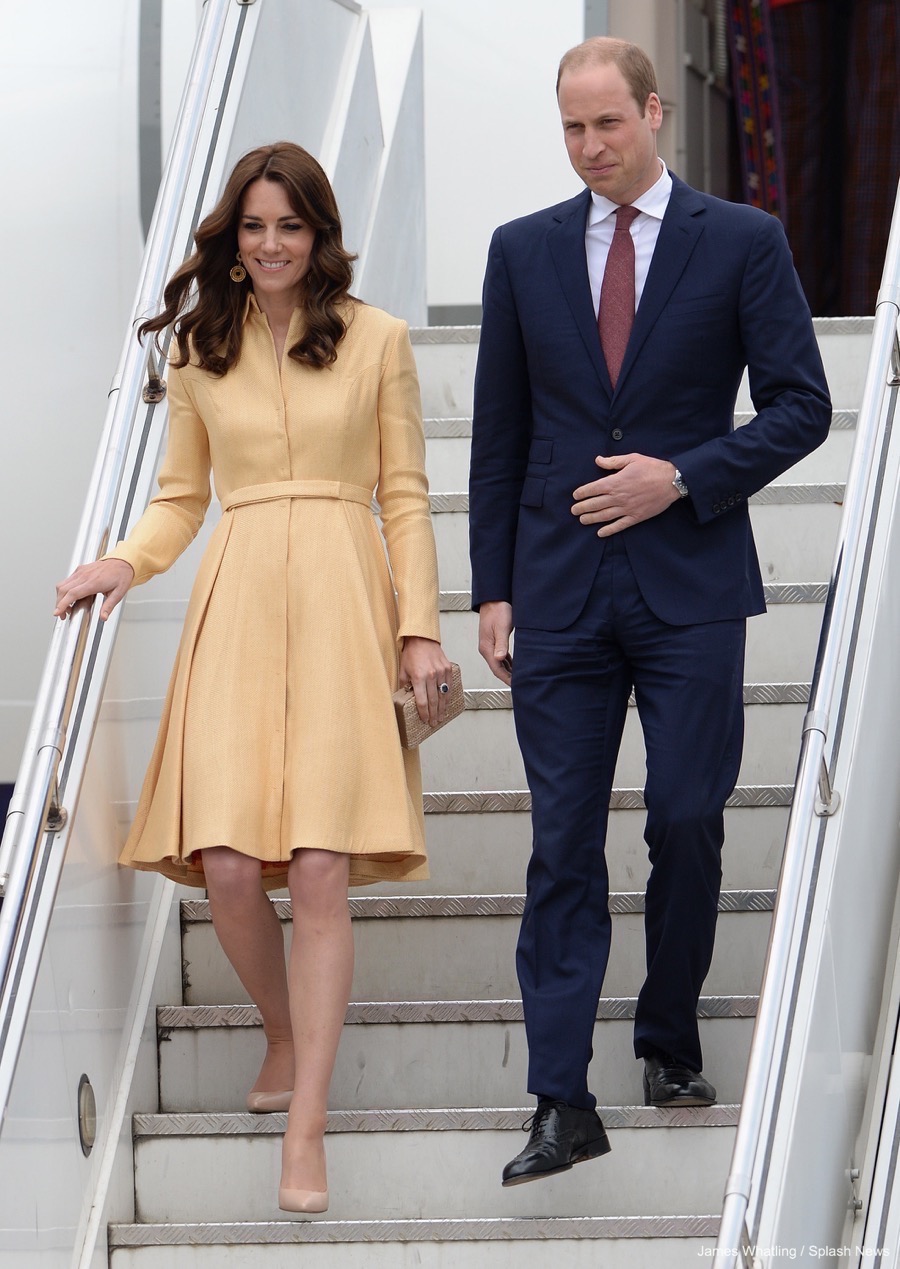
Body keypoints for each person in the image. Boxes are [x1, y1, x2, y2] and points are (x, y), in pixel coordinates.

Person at [55, 142, 452, 1216]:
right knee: (228, 866)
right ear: (232, 241)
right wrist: (120, 563)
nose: (271, 244)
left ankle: (307, 1130)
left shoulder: (378, 340)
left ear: (319, 235)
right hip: (236, 601)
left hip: (341, 595)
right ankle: (279, 1033)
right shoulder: (201, 347)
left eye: (291, 226)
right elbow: (183, 499)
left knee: (319, 868)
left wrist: (420, 632)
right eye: (253, 227)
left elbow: (406, 497)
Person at [469, 37, 831, 1187]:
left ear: (655, 112)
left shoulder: (743, 242)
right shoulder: (521, 251)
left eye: (606, 126)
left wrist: (682, 474)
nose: (588, 149)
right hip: (561, 590)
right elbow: (499, 438)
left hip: (688, 581)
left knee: (684, 815)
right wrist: (491, 586)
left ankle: (668, 1038)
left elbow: (801, 408)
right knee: (562, 844)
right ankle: (561, 1098)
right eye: (571, 130)